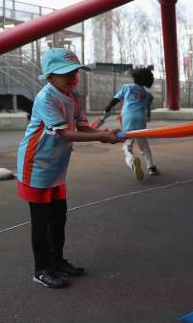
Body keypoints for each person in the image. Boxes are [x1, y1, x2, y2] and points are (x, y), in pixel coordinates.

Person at [16, 48, 123, 289]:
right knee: (41, 221)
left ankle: (57, 261)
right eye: (67, 74)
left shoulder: (72, 97)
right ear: (50, 76)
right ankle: (42, 269)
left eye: (75, 72)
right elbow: (65, 133)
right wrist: (102, 138)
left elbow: (83, 127)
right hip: (36, 166)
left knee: (59, 217)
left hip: (56, 167)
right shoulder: (46, 98)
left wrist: (105, 133)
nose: (73, 78)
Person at [105, 67, 159, 180]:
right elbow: (146, 107)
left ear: (135, 77)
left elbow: (116, 99)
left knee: (127, 146)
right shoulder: (145, 93)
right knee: (143, 144)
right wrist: (148, 114)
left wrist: (108, 107)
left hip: (128, 118)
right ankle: (151, 167)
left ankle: (132, 161)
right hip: (140, 119)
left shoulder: (127, 87)